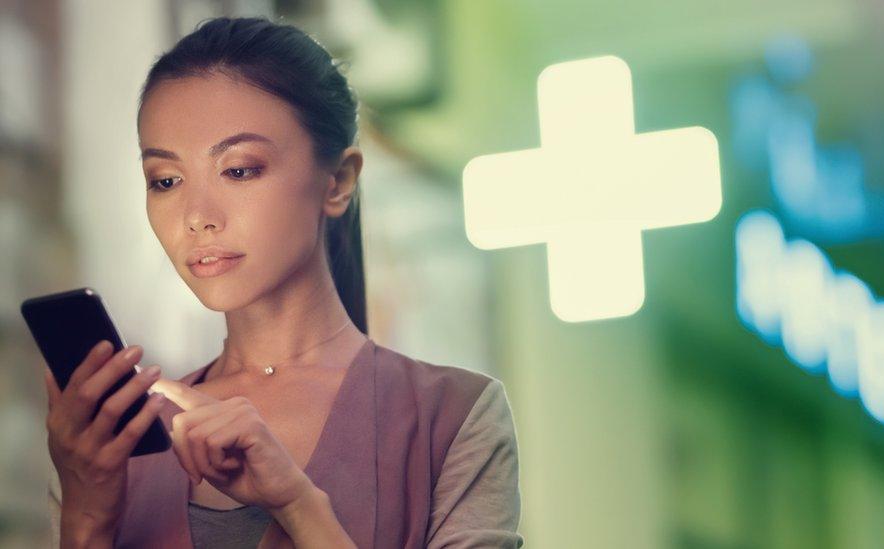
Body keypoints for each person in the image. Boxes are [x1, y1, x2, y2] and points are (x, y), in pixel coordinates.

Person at [42, 16, 523, 548]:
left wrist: (298, 504)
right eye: (167, 180)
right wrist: (85, 517)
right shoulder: (124, 440)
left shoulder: (453, 417)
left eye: (239, 170)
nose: (197, 216)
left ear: (338, 181)